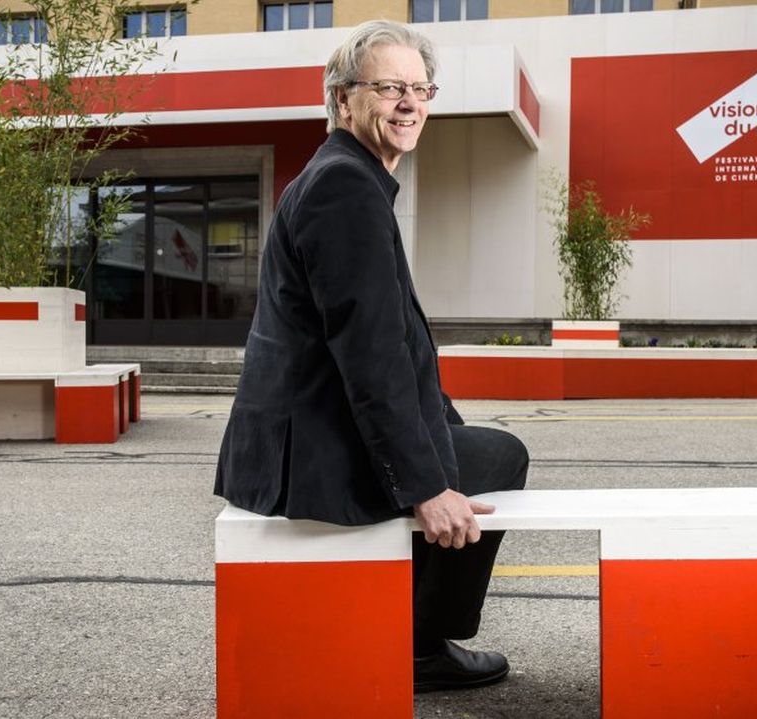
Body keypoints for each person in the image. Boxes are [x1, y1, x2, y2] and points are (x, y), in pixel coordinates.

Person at [214, 19, 528, 693]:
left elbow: (396, 344)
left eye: (420, 88)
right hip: (311, 455)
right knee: (500, 458)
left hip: (310, 436)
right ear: (341, 99)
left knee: (470, 444)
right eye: (389, 87)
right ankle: (420, 644)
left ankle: (418, 632)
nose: (410, 103)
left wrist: (443, 432)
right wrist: (425, 486)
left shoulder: (346, 177)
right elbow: (369, 352)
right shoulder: (344, 189)